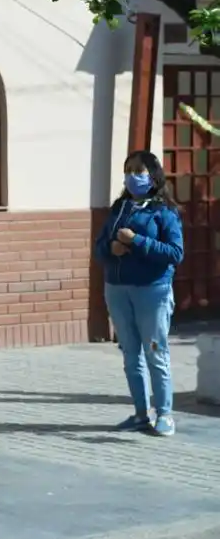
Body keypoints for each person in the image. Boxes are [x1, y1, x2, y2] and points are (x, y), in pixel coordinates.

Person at [95, 150, 183, 437]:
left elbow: (174, 253)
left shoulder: (164, 211)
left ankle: (165, 414)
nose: (133, 176)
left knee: (155, 353)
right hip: (117, 290)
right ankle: (140, 413)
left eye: (140, 171)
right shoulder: (119, 208)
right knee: (131, 355)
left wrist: (138, 241)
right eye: (128, 170)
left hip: (152, 291)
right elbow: (98, 247)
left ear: (153, 176)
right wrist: (111, 248)